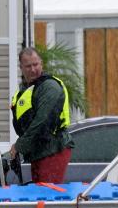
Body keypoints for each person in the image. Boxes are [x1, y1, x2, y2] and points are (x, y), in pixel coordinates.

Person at [9, 46, 74, 184]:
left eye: (35, 64)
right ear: (21, 67)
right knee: (39, 196)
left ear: (41, 63)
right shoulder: (26, 91)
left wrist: (20, 145)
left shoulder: (50, 87)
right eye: (28, 66)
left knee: (48, 196)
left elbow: (42, 122)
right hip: (38, 152)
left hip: (53, 150)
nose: (33, 69)